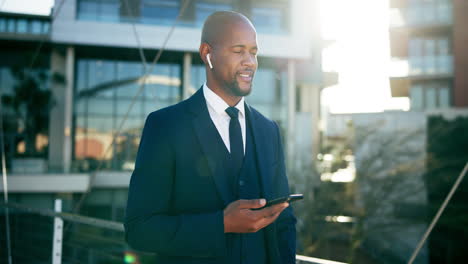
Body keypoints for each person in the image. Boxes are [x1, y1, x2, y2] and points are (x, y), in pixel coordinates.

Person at [124, 11, 296, 264]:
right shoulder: (165, 125)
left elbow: (284, 222)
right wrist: (221, 224)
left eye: (254, 52)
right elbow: (140, 229)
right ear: (207, 54)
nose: (250, 61)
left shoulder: (269, 130)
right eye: (238, 51)